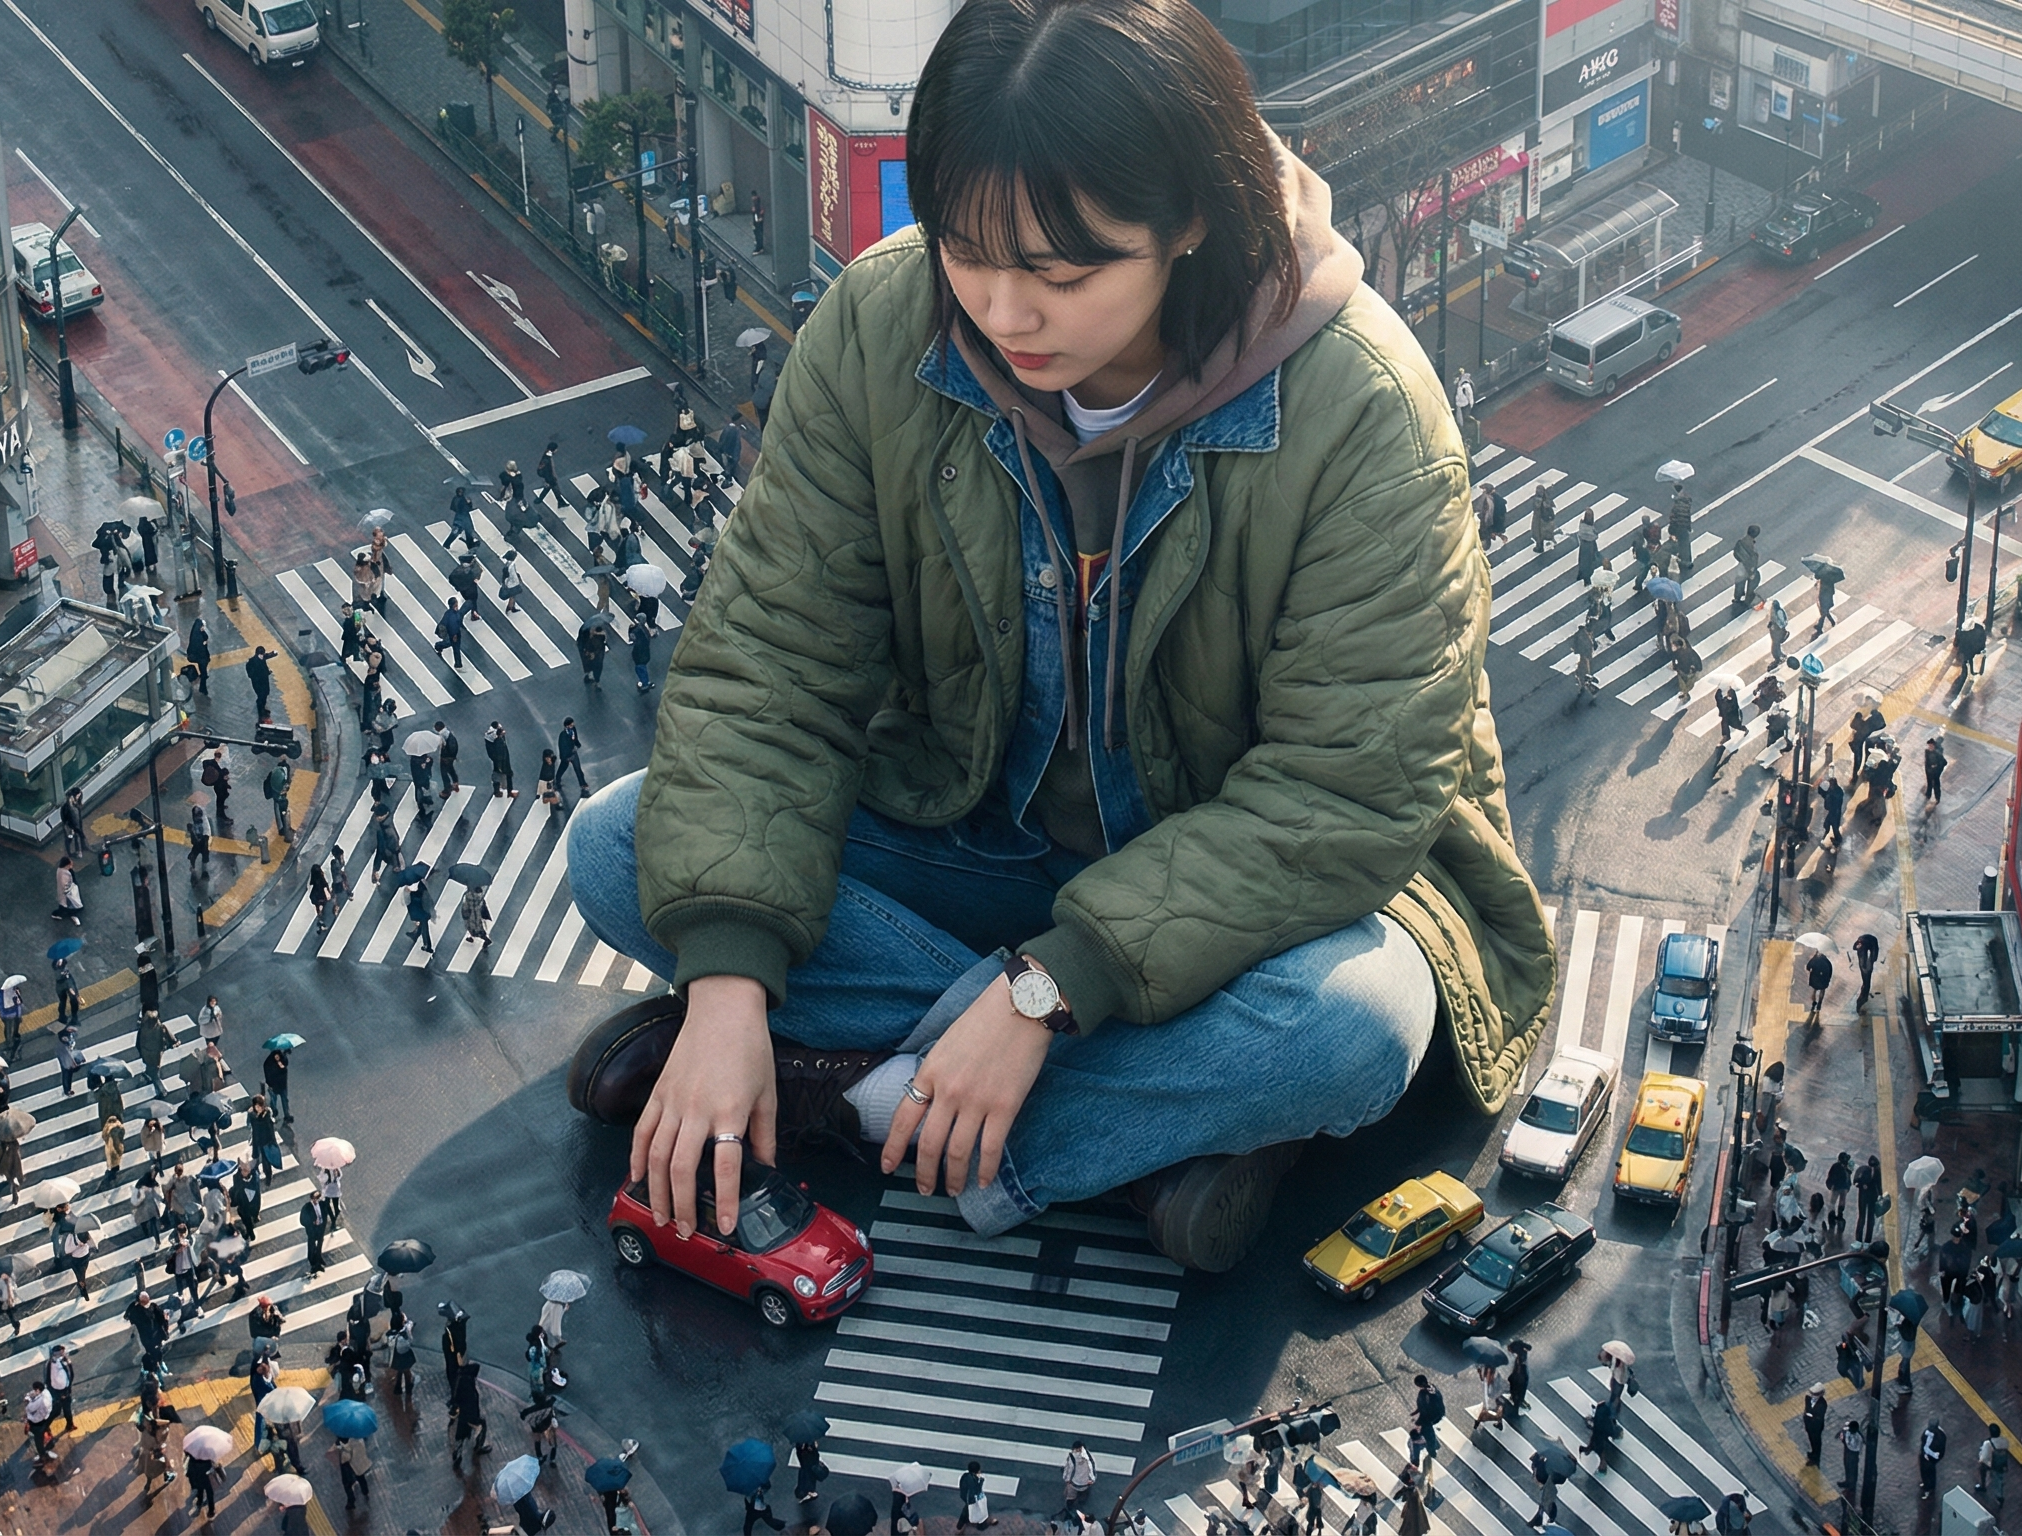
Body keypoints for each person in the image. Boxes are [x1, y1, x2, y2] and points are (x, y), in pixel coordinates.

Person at [561, 0, 1549, 1277]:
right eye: (967, 253)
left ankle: (854, 1099)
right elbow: (771, 662)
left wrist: (1047, 987)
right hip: (974, 829)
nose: (1002, 310)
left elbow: (1342, 798)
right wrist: (732, 981)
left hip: (1264, 895)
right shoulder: (884, 320)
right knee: (619, 848)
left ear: (1190, 220)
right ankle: (1142, 1128)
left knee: (1348, 1030)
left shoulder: (1364, 410)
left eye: (1062, 273)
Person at [1061, 1441, 1097, 1521]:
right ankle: (1081, 1504)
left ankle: (1069, 1510)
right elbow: (1092, 1468)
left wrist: (1067, 1479)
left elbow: (1069, 1470)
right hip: (1085, 1484)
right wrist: (1092, 1479)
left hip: (1074, 1484)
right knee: (1084, 1495)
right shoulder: (1089, 1456)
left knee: (1070, 1496)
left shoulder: (1072, 1457)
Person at [557, 717, 592, 796]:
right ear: (567, 726)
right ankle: (557, 781)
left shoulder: (573, 730)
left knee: (578, 769)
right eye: (571, 724)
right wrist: (565, 757)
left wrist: (577, 744)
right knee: (562, 769)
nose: (573, 725)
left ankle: (583, 784)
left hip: (573, 753)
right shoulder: (563, 735)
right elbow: (562, 747)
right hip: (566, 756)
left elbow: (575, 738)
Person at [1975, 1423, 2009, 1504]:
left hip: (1990, 1463)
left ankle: (1983, 1486)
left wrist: (1980, 1460)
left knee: (1982, 1471)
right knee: (1999, 1479)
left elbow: (1984, 1457)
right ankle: (1999, 1495)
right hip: (2001, 1463)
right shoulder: (2005, 1441)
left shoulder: (1988, 1443)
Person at [22, 1381, 56, 1461]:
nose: (34, 1391)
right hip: (45, 1417)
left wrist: (28, 1400)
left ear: (38, 1390)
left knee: (38, 1439)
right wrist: (29, 1396)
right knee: (45, 1429)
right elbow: (33, 1394)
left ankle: (42, 1455)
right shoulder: (46, 1392)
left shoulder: (40, 1401)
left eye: (35, 1390)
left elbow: (29, 1408)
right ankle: (48, 1439)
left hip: (37, 1421)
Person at [1918, 1420, 1947, 1499]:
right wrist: (1924, 1453)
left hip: (1932, 1458)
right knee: (1923, 1470)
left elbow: (1939, 1451)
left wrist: (1931, 1456)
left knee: (1929, 1472)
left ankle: (1928, 1488)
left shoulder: (1941, 1436)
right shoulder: (1927, 1432)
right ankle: (1925, 1483)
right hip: (1924, 1455)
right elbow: (1923, 1441)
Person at [485, 721, 516, 797]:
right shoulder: (498, 741)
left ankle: (497, 791)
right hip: (502, 760)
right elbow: (501, 751)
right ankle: (509, 791)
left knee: (496, 773)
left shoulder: (490, 737)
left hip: (496, 760)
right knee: (508, 773)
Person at [1801, 1384, 1829, 1465]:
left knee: (1816, 1441)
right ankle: (1813, 1452)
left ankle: (1816, 1456)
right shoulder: (1808, 1397)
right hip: (1808, 1423)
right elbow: (1807, 1408)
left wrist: (1811, 1416)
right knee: (1811, 1439)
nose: (1812, 1395)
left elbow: (1819, 1417)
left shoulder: (1823, 1404)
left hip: (1816, 1427)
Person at [1838, 1418, 1865, 1495]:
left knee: (1852, 1470)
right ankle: (1847, 1481)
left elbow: (1853, 1446)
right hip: (1848, 1452)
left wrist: (1844, 1441)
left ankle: (1851, 1487)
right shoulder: (1849, 1432)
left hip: (1853, 1454)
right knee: (1847, 1466)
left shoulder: (1858, 1438)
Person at [1854, 931, 1882, 1004]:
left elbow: (1874, 955)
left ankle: (1865, 991)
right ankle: (1865, 984)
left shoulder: (1872, 942)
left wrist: (1871, 961)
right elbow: (1854, 947)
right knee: (1863, 968)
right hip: (1864, 948)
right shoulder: (1859, 943)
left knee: (1868, 972)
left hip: (1872, 945)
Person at [1923, 734, 1950, 807]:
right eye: (1929, 746)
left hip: (1935, 772)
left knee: (1936, 785)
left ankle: (1937, 798)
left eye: (1931, 746)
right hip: (1929, 771)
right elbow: (1927, 761)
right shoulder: (1927, 751)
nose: (1929, 747)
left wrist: (1936, 768)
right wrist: (1927, 768)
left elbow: (1944, 762)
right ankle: (1928, 794)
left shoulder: (1938, 753)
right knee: (1929, 782)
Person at [629, 618, 654, 693]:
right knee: (643, 669)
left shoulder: (638, 642)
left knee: (640, 669)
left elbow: (633, 640)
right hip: (646, 655)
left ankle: (645, 684)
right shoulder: (644, 631)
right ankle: (646, 682)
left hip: (640, 659)